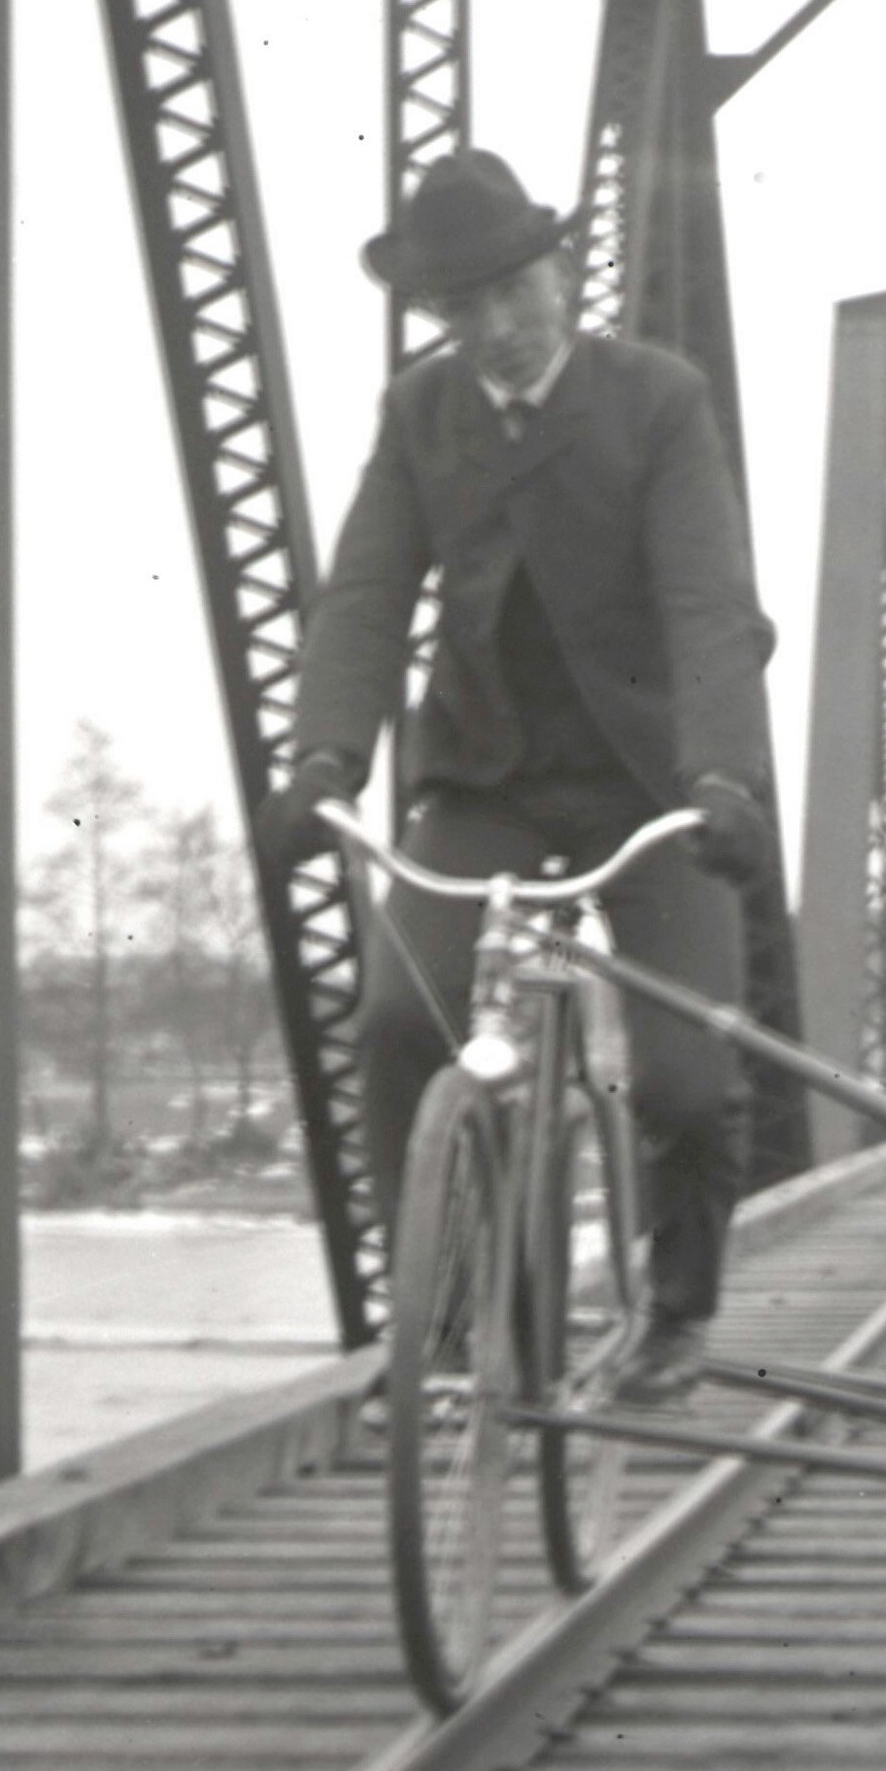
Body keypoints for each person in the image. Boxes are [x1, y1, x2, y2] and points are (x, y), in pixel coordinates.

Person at [259, 152, 778, 1406]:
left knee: (684, 1077)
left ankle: (676, 1305)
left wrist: (722, 774)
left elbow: (708, 602)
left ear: (556, 269)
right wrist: (321, 754)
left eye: (508, 292)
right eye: (458, 307)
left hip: (652, 785)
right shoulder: (421, 413)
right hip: (487, 775)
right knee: (398, 1017)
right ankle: (438, 1310)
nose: (491, 327)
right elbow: (369, 594)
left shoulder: (655, 397)